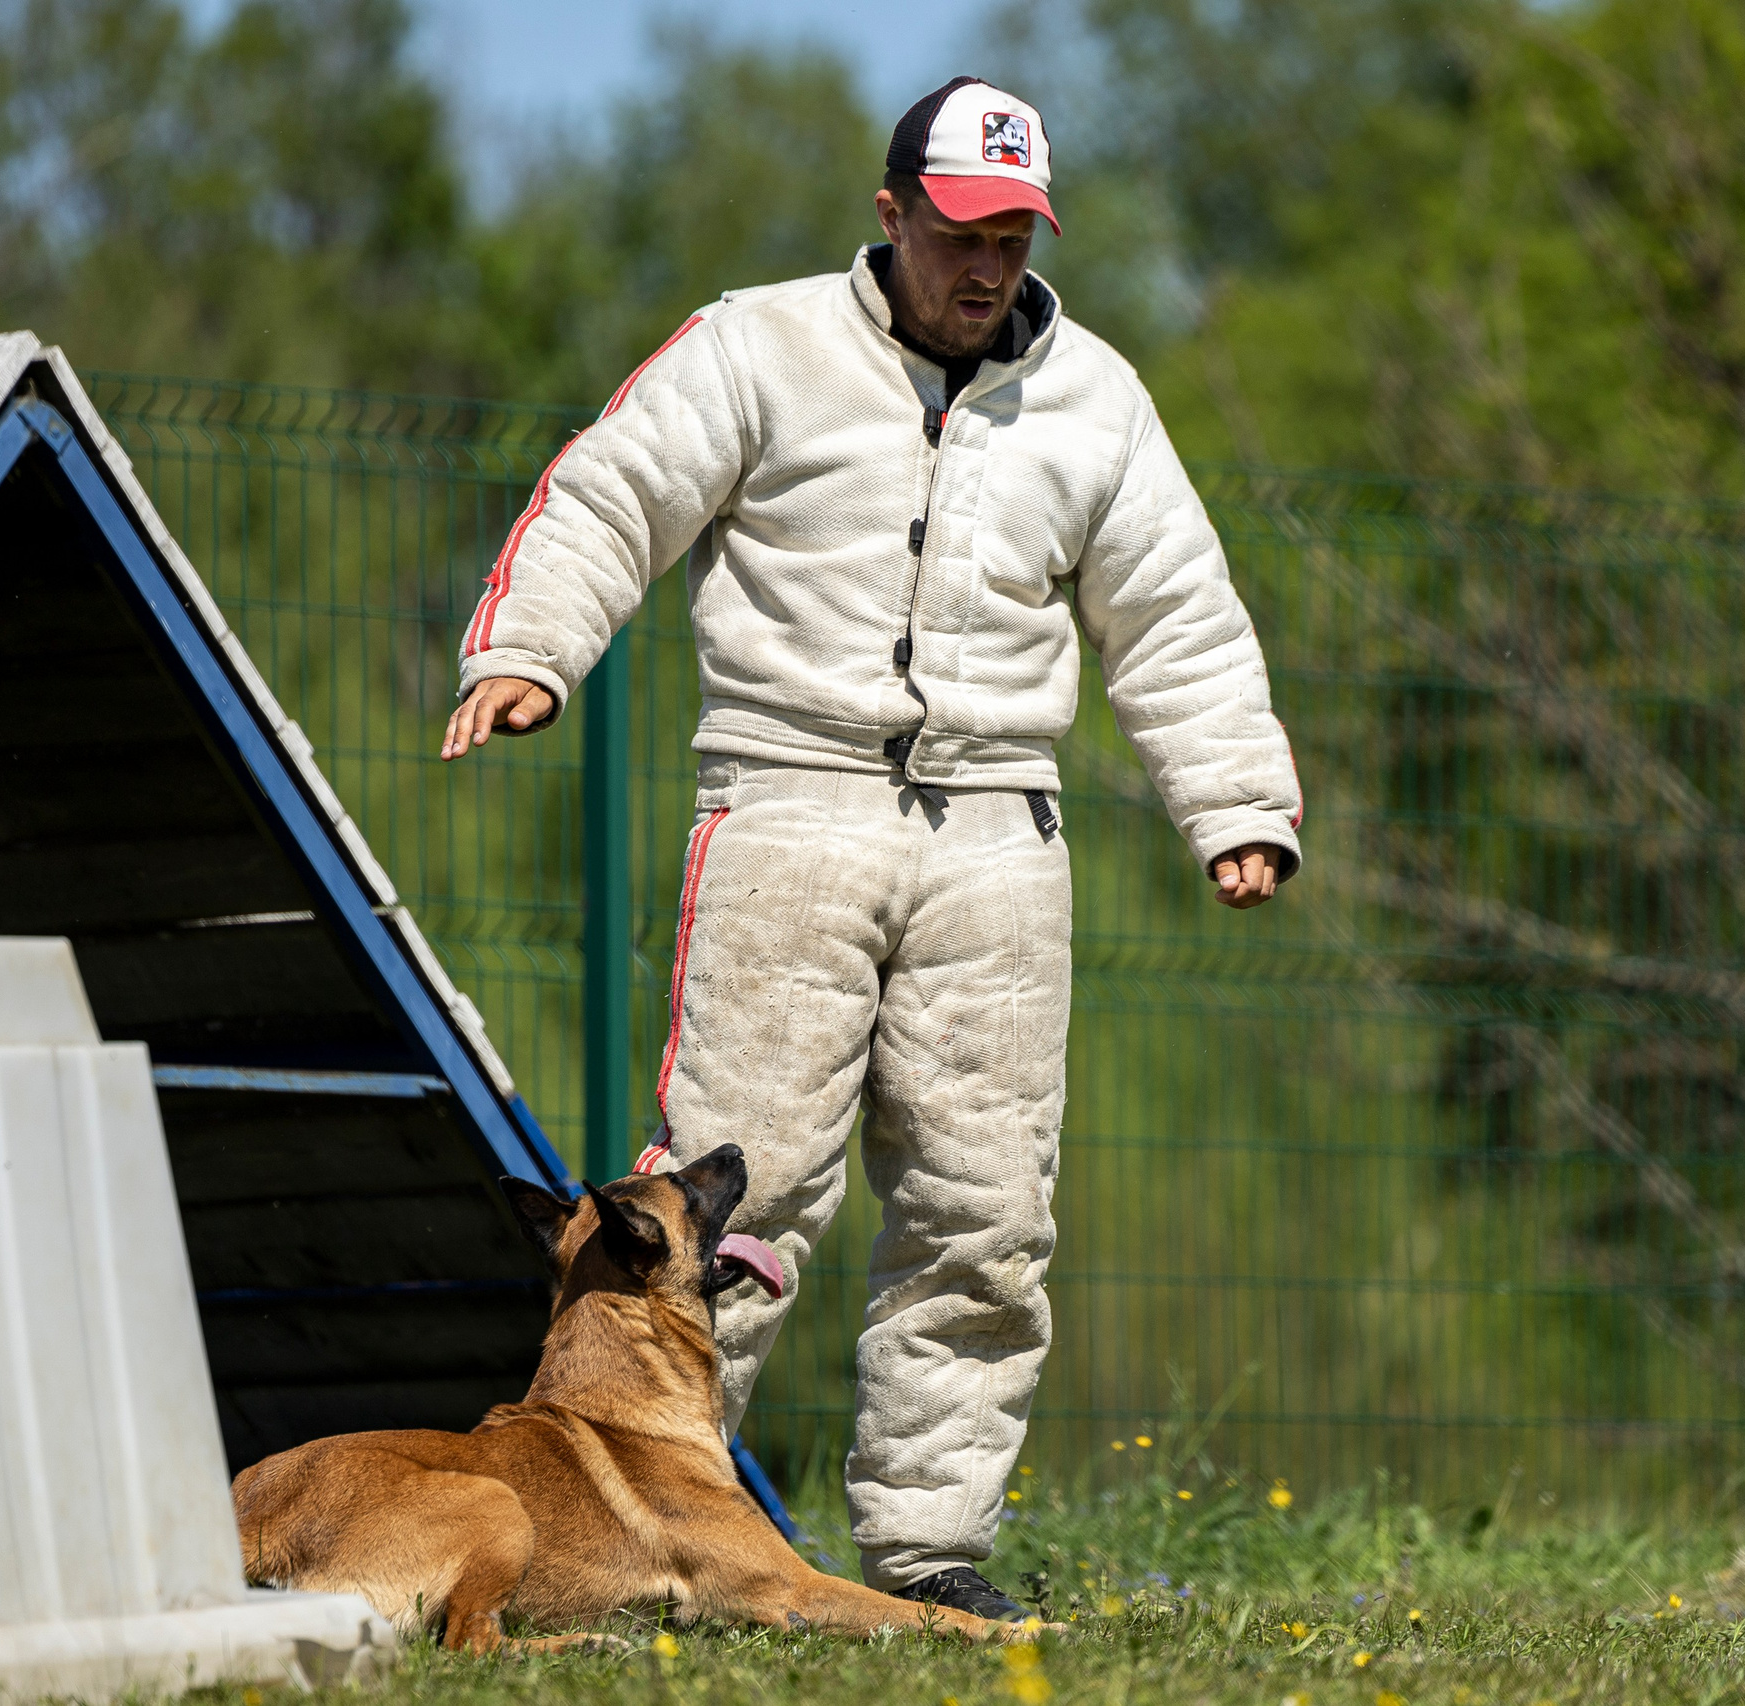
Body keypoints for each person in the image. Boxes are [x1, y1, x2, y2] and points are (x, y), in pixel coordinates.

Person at [440, 75, 1302, 1621]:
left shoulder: (1097, 398)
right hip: (789, 807)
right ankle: (648, 1527)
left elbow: (1176, 606)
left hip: (1000, 836)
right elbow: (615, 487)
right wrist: (529, 650)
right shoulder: (757, 346)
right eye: (962, 231)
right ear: (892, 212)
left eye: (1017, 234)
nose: (988, 266)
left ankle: (929, 1548)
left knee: (985, 1210)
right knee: (725, 1200)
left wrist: (1235, 801)